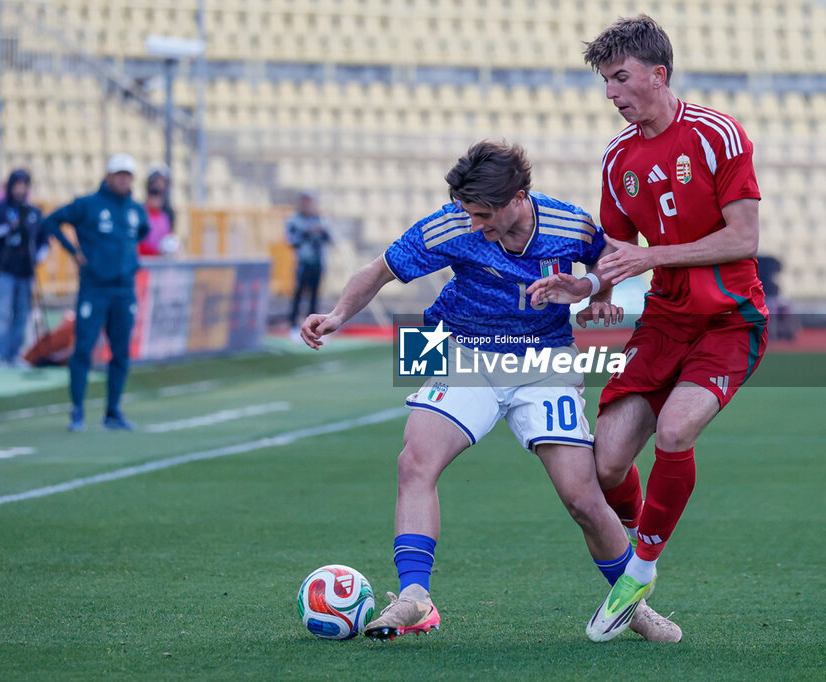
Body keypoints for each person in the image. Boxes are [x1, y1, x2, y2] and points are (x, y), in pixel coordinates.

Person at [301, 141, 679, 643]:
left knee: (583, 498)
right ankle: (415, 596)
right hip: (464, 351)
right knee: (415, 462)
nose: (474, 224)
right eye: (468, 212)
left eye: (483, 214)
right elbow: (379, 270)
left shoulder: (570, 224)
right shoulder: (451, 225)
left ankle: (633, 605)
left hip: (544, 360)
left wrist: (597, 296)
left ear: (518, 198)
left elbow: (607, 258)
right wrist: (336, 316)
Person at [529, 15, 768, 641]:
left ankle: (639, 569)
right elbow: (616, 251)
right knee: (605, 466)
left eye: (620, 78)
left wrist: (652, 257)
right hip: (664, 321)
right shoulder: (618, 158)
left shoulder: (716, 135)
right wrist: (597, 291)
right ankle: (641, 535)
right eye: (605, 82)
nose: (611, 93)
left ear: (658, 74)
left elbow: (744, 238)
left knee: (676, 428)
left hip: (728, 318)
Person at [44, 153, 150, 432]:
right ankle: (77, 410)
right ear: (108, 176)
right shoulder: (88, 205)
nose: (124, 180)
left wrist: (125, 259)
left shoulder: (135, 209)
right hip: (95, 288)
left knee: (121, 351)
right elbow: (52, 221)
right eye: (119, 175)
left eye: (128, 175)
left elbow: (142, 232)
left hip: (124, 289)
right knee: (83, 348)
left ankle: (113, 411)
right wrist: (74, 251)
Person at [0, 169, 48, 367]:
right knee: (1, 313)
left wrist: (38, 257)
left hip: (26, 271)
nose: (20, 189)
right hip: (4, 269)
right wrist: (10, 228)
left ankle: (14, 353)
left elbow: (43, 240)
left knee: (21, 314)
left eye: (24, 185)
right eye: (17, 185)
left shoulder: (34, 212)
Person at [285, 191, 331, 334]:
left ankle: (314, 328)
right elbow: (291, 241)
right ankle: (293, 326)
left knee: (315, 296)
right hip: (302, 262)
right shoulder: (294, 220)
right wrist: (307, 231)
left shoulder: (320, 219)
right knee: (298, 295)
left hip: (318, 262)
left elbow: (330, 238)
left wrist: (321, 230)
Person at [138, 166, 176, 257]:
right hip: (145, 260)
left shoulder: (167, 214)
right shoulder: (141, 212)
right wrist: (155, 252)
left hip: (160, 261)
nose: (159, 185)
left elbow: (168, 237)